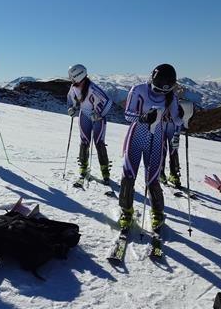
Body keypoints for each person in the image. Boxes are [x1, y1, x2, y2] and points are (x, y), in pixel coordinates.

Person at [118, 64, 183, 232]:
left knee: (153, 178)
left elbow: (177, 120)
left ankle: (157, 212)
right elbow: (127, 114)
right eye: (158, 89)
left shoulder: (172, 96)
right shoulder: (138, 90)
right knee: (128, 175)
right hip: (136, 137)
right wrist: (144, 118)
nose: (161, 94)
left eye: (164, 91)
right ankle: (126, 211)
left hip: (156, 138)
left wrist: (185, 116)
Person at [66, 64, 113, 186]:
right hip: (84, 116)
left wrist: (99, 114)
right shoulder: (74, 87)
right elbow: (70, 99)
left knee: (99, 143)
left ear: (77, 75)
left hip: (97, 118)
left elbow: (108, 102)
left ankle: (105, 172)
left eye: (72, 76)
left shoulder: (92, 88)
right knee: (84, 141)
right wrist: (71, 108)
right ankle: (83, 168)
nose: (70, 79)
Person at [159, 111, 182, 187]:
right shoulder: (160, 98)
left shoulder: (176, 100)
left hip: (174, 126)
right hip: (161, 124)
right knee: (162, 150)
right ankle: (160, 173)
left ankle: (174, 174)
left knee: (174, 150)